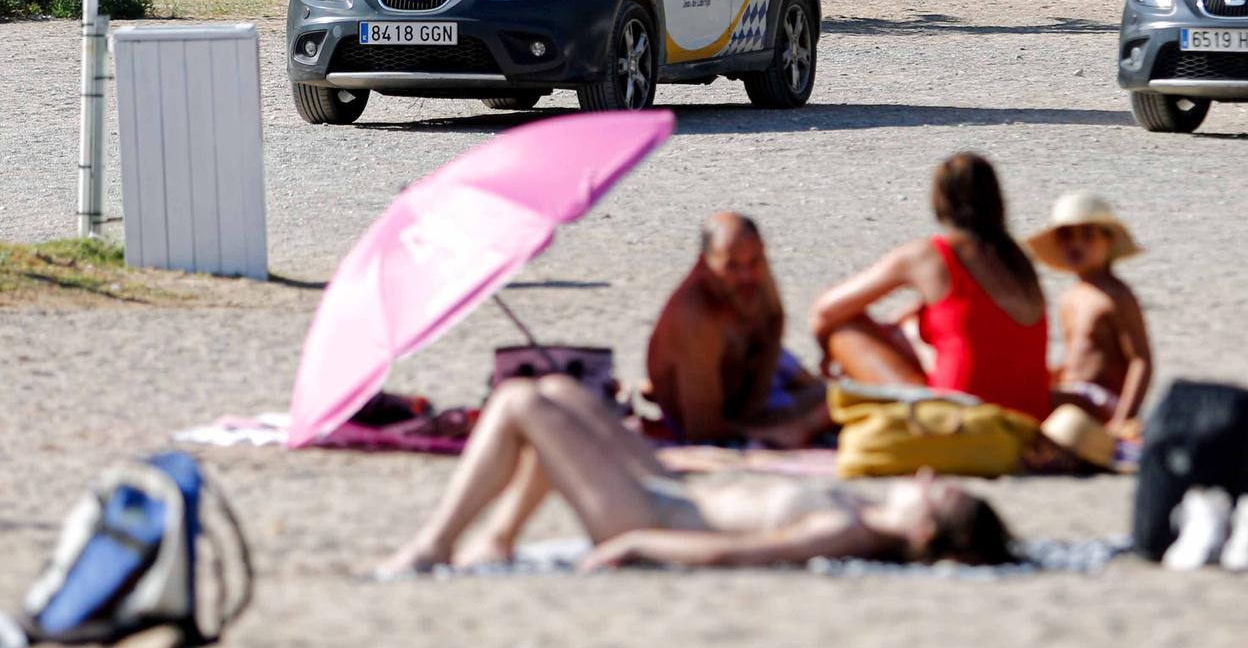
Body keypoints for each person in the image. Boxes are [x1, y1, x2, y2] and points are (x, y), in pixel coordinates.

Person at [375, 374, 1015, 574]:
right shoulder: (860, 515)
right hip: (676, 489)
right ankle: (501, 538)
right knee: (562, 391)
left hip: (650, 515)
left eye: (942, 490)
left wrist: (634, 545)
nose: (928, 475)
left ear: (928, 527)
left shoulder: (844, 532)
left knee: (522, 404)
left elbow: (734, 553)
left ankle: (434, 545)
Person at [811, 153, 1051, 419]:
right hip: (1029, 419)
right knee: (913, 323)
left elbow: (825, 311)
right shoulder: (1017, 260)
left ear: (938, 201)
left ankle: (822, 410)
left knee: (846, 330)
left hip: (957, 421)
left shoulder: (931, 255)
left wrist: (829, 350)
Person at [641, 213, 826, 447]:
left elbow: (774, 321)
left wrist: (758, 400)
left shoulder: (755, 275)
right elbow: (704, 431)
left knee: (831, 396)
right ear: (704, 263)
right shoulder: (695, 315)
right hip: (714, 414)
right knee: (836, 403)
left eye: (755, 261)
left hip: (749, 385)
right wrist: (785, 426)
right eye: (732, 266)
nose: (747, 275)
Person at [1028, 194, 1152, 439]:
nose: (1076, 243)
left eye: (1087, 235)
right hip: (1073, 392)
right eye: (1066, 236)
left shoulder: (1116, 296)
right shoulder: (1069, 298)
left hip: (1104, 401)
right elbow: (1080, 357)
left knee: (1037, 401)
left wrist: (1123, 418)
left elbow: (1141, 360)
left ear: (1108, 242)